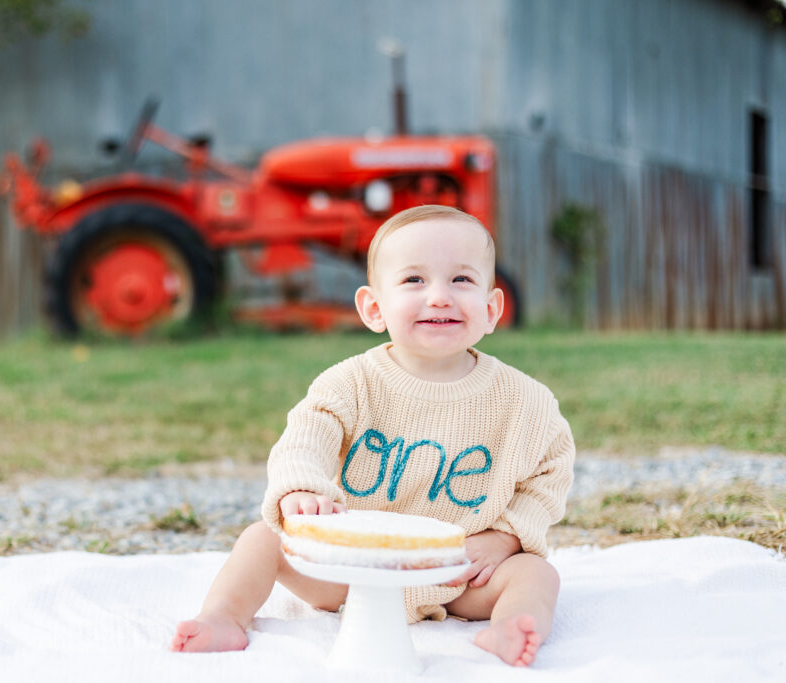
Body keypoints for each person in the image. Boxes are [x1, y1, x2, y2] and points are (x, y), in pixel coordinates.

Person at [171, 205, 575, 667]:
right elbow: (308, 433)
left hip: (456, 571)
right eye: (414, 281)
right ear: (373, 308)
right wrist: (302, 488)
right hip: (348, 567)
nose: (440, 297)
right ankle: (223, 616)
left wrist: (506, 538)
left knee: (536, 573)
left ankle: (512, 626)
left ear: (491, 309)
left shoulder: (526, 402)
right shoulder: (351, 383)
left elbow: (548, 473)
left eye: (461, 280)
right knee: (263, 540)